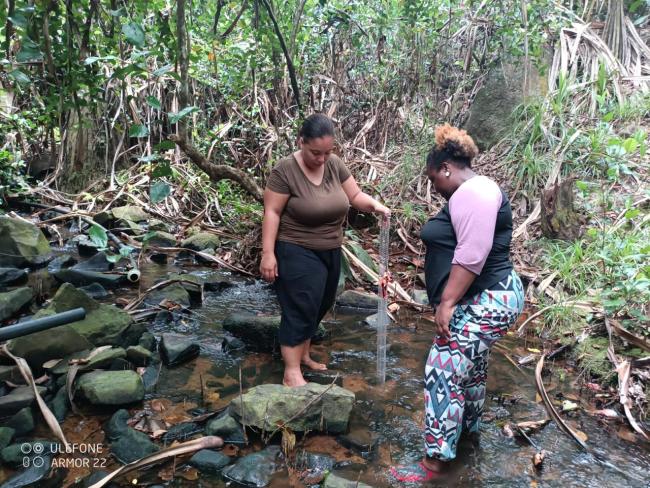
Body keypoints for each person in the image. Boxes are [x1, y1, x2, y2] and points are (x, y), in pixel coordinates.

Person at [391, 124, 524, 483]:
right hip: (487, 295)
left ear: (447, 168)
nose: (435, 187)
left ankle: (434, 465)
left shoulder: (475, 191)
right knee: (470, 368)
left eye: (435, 179)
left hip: (491, 295)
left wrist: (447, 302)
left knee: (444, 367)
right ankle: (467, 439)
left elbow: (472, 254)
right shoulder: (471, 192)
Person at [260, 113, 391, 388]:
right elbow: (272, 212)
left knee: (321, 303)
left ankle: (304, 354)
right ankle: (291, 371)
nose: (321, 159)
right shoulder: (285, 170)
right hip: (295, 248)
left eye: (327, 152)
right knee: (301, 304)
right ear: (301, 142)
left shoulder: (334, 164)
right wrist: (268, 254)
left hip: (331, 248)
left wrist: (375, 206)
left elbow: (354, 196)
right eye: (315, 153)